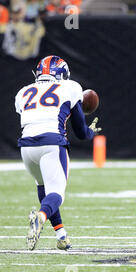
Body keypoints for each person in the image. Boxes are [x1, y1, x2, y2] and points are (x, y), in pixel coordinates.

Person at [14, 55, 102, 250]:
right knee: (56, 193)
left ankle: (61, 236)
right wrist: (90, 132)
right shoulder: (70, 87)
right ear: (63, 73)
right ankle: (41, 216)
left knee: (43, 187)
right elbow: (80, 131)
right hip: (52, 144)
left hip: (26, 148)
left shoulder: (23, 92)